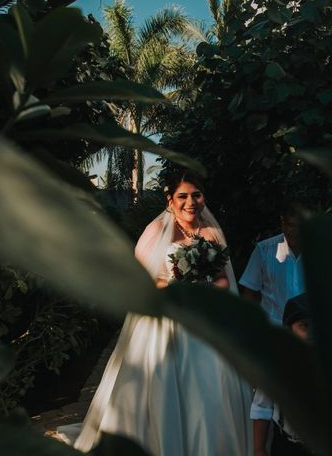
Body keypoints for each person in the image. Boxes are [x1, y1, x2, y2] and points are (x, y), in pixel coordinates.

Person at [72, 171, 253, 456]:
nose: (191, 202)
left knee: (210, 391)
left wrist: (206, 293)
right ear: (170, 199)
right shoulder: (156, 231)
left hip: (205, 321)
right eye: (183, 196)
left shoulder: (211, 233)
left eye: (197, 195)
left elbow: (222, 280)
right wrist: (177, 286)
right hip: (165, 322)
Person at [252, 296, 314, 456]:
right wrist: (259, 449)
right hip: (287, 446)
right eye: (305, 326)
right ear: (288, 329)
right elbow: (262, 407)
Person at [239, 201, 305, 325]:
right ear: (283, 223)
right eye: (291, 225)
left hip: (310, 331)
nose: (296, 231)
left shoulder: (320, 251)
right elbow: (249, 292)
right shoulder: (264, 250)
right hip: (274, 328)